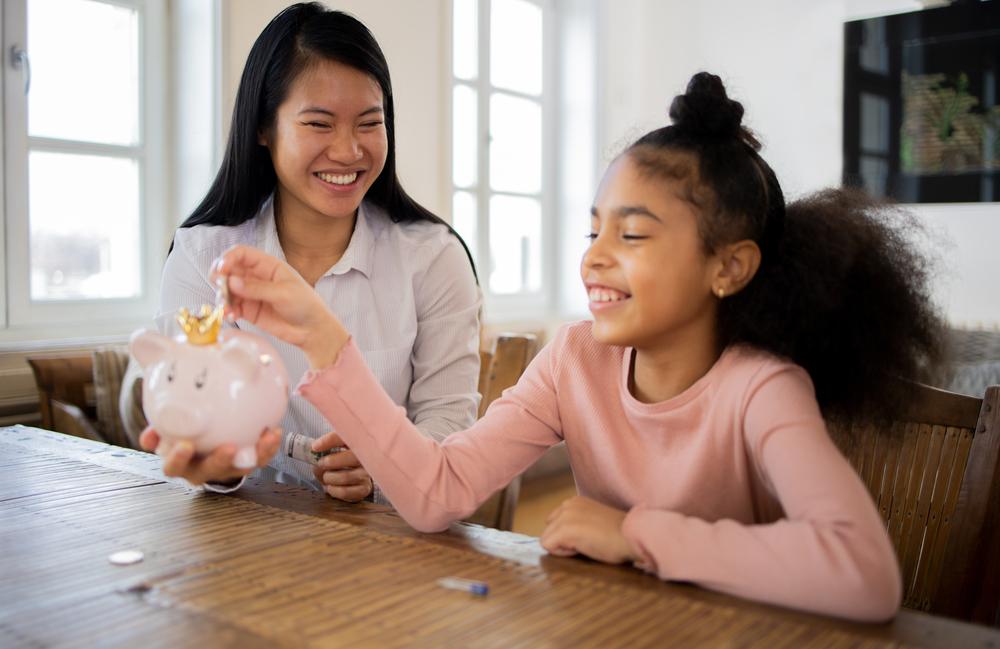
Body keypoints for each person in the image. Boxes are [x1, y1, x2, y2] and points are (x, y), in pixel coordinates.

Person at [211, 72, 946, 621]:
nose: (594, 257)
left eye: (631, 234)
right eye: (593, 229)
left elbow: (864, 573)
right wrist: (325, 341)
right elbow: (437, 492)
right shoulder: (575, 359)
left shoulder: (760, 387)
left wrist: (635, 532)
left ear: (729, 267)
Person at [130, 3, 481, 502]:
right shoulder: (201, 254)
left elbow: (449, 424)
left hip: (392, 547)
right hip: (244, 541)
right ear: (263, 128)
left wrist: (389, 463)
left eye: (368, 123)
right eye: (319, 124)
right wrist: (221, 466)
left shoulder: (433, 258)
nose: (348, 150)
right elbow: (188, 407)